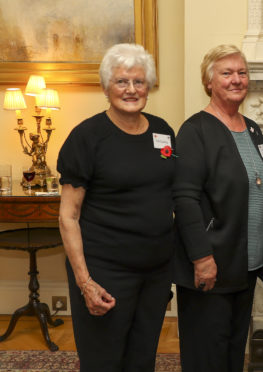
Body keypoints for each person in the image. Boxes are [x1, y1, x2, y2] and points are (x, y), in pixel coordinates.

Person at [58, 43, 175, 371]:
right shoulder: (87, 137)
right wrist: (85, 282)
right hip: (105, 271)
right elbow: (68, 215)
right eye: (122, 81)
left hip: (155, 272)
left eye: (139, 82)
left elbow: (171, 186)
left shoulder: (163, 133)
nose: (131, 89)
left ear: (149, 86)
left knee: (142, 360)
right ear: (106, 87)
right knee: (103, 361)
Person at [172, 44, 263, 372]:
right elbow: (184, 199)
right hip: (212, 265)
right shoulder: (195, 130)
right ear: (209, 82)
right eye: (226, 73)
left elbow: (261, 185)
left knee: (232, 353)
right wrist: (202, 259)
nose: (236, 80)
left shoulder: (253, 129)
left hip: (245, 265)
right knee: (208, 355)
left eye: (242, 73)